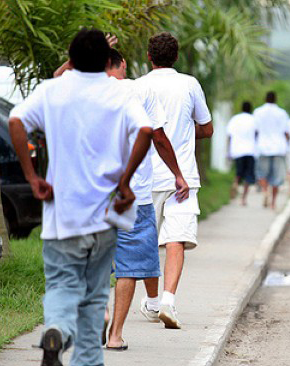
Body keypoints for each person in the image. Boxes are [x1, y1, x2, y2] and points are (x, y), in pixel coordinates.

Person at [8, 28, 153, 366]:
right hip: (105, 216)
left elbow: (15, 121)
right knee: (92, 298)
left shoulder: (52, 90)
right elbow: (147, 130)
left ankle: (56, 329)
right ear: (108, 62)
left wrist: (32, 176)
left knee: (61, 286)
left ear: (70, 60)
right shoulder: (120, 92)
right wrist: (125, 181)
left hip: (62, 216)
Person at [102, 48, 189, 349]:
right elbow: (159, 138)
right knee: (128, 267)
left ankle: (101, 310)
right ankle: (115, 336)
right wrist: (178, 173)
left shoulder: (85, 93)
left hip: (92, 195)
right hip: (134, 196)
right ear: (123, 64)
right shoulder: (141, 90)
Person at [135, 32, 213, 329]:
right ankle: (168, 300)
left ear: (149, 56)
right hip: (184, 177)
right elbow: (207, 129)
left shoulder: (138, 86)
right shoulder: (190, 84)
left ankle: (153, 302)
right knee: (175, 240)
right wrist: (183, 132)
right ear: (176, 57)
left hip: (146, 177)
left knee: (147, 242)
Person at [254, 91, 290, 210]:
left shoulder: (258, 112)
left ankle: (265, 191)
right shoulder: (282, 113)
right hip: (279, 147)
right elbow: (286, 132)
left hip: (263, 146)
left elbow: (255, 130)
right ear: (276, 99)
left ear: (265, 98)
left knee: (261, 173)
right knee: (277, 177)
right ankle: (273, 202)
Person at [227, 101, 257, 206]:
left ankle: (235, 183)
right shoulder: (254, 119)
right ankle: (243, 198)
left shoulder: (235, 119)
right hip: (250, 150)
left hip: (237, 150)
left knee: (239, 173)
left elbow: (229, 136)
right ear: (250, 109)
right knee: (248, 176)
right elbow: (257, 134)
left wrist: (229, 151)